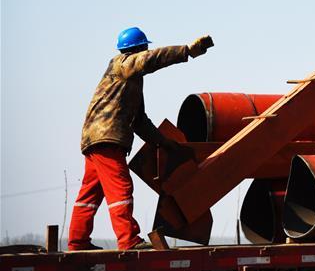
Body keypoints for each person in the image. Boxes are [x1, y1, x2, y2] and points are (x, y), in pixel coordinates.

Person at [67, 27, 213, 251]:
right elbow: (152, 59)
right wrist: (187, 51)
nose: (147, 51)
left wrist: (163, 142)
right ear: (138, 49)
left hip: (95, 139)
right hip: (108, 138)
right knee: (121, 188)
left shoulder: (130, 82)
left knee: (90, 194)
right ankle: (128, 240)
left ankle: (77, 242)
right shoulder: (123, 64)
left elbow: (139, 121)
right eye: (145, 48)